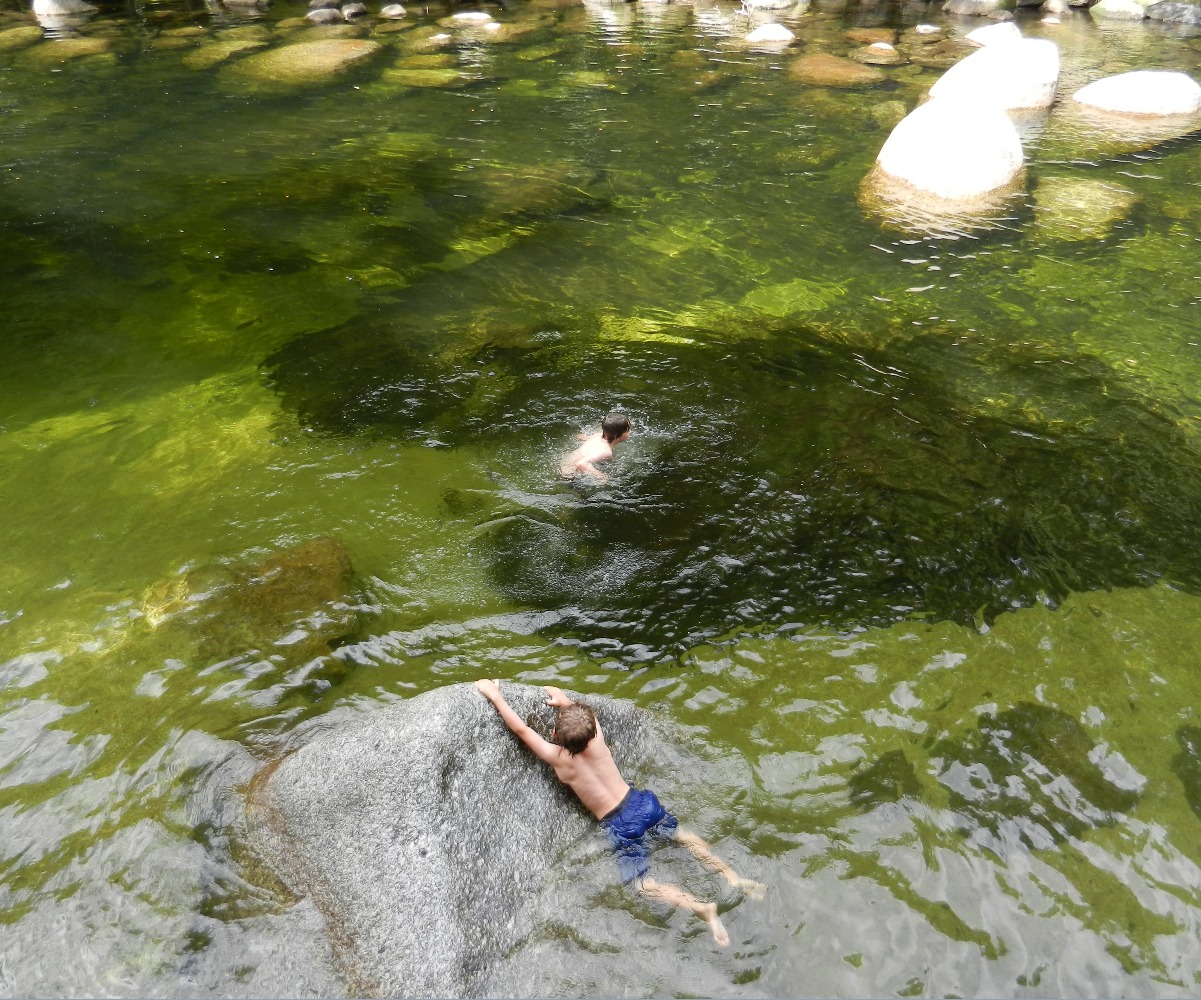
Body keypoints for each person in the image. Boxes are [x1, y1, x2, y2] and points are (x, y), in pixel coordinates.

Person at [473, 679, 765, 946]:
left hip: (619, 823)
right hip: (641, 803)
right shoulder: (597, 736)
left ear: (554, 735)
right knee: (685, 837)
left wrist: (495, 695)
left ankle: (701, 907)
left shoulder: (557, 758)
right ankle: (733, 877)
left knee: (642, 885)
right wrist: (564, 700)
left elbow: (521, 730)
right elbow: (583, 715)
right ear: (590, 731)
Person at [560, 412, 631, 483]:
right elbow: (581, 464)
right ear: (617, 436)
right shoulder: (606, 451)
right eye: (627, 430)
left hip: (565, 463)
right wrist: (601, 477)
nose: (630, 432)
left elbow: (581, 437)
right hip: (569, 474)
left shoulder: (597, 435)